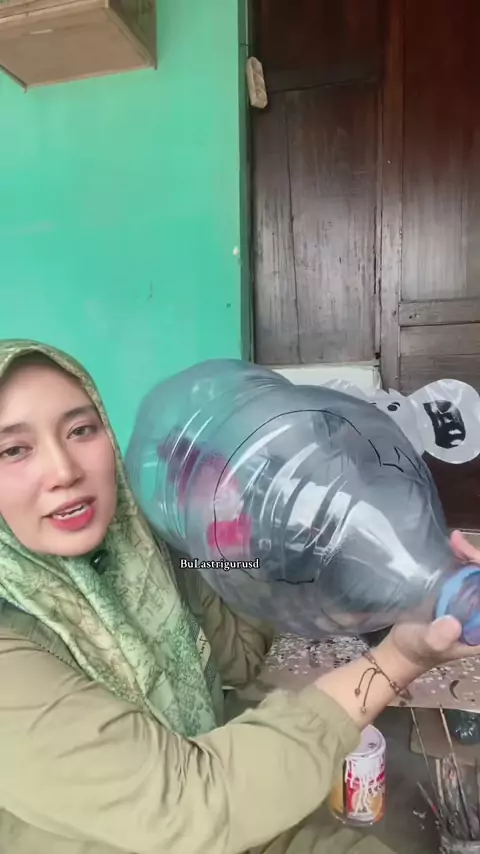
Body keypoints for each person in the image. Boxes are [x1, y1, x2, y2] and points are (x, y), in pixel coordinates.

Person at [0, 338, 478, 854]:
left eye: (80, 430)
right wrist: (399, 659)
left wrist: (233, 540)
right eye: (13, 449)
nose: (65, 471)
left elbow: (241, 661)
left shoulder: (142, 561)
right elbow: (190, 805)